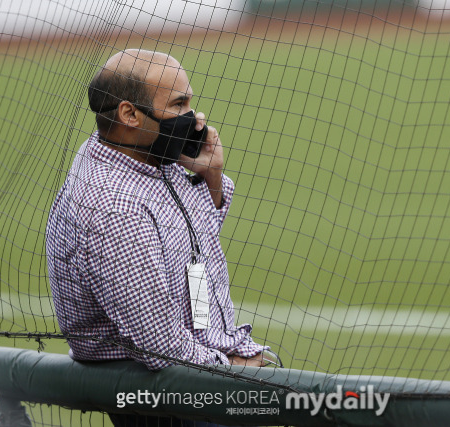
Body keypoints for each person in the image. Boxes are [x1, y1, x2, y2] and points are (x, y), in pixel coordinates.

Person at [45, 49, 279, 375]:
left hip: (196, 363)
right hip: (162, 393)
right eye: (178, 105)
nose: (195, 119)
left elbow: (195, 245)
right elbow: (160, 345)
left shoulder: (145, 155)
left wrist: (209, 175)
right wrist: (234, 369)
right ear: (129, 114)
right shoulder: (113, 210)